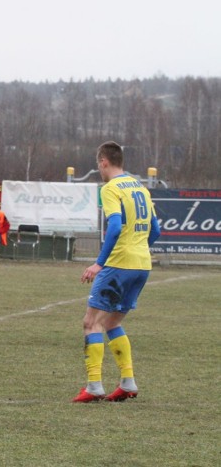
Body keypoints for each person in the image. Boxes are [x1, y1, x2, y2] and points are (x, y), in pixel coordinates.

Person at [73, 141, 161, 403]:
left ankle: (94, 386)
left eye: (98, 165)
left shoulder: (110, 189)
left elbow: (114, 228)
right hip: (142, 265)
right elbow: (155, 230)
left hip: (119, 264)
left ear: (104, 162)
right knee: (112, 322)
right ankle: (128, 382)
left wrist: (99, 263)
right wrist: (137, 249)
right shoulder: (141, 188)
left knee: (91, 323)